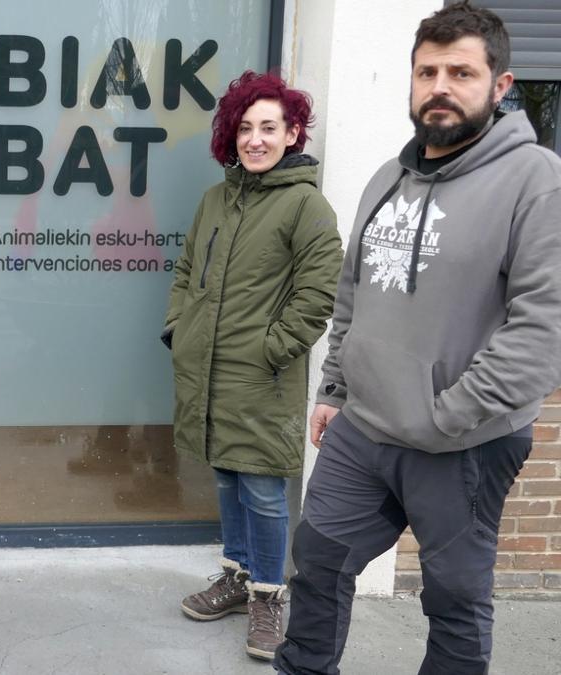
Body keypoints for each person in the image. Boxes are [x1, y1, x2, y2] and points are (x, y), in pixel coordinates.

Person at [274, 4, 561, 673]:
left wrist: (446, 415)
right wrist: (336, 387)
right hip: (365, 429)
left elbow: (542, 328)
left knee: (454, 598)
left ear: (501, 84)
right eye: (427, 70)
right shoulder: (386, 179)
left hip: (465, 442)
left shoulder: (535, 179)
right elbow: (353, 296)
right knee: (317, 558)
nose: (440, 84)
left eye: (461, 71)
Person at [164, 71, 342, 661]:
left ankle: (269, 594)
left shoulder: (307, 205)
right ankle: (237, 580)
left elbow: (320, 295)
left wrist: (271, 349)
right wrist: (179, 330)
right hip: (208, 372)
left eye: (269, 127)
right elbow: (186, 272)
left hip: (261, 376)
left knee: (265, 493)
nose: (255, 139)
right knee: (227, 479)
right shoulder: (215, 200)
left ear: (292, 134)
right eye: (245, 127)